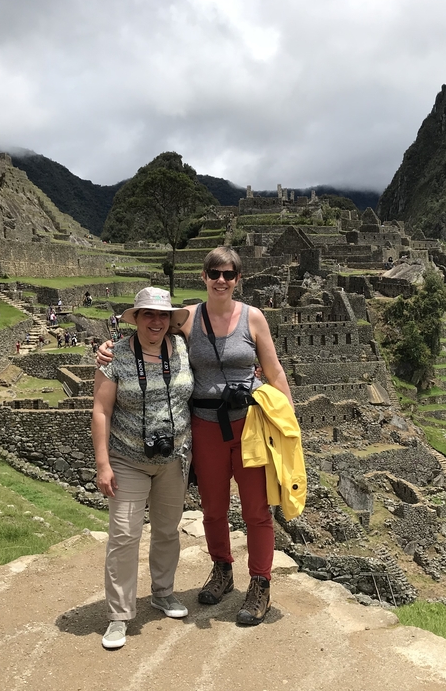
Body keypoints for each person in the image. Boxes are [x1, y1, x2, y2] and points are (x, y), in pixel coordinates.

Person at [98, 247, 293, 625]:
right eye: (214, 273)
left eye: (229, 274)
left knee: (256, 509)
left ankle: (260, 584)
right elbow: (147, 332)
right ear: (203, 277)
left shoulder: (253, 319)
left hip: (251, 423)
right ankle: (222, 569)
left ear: (238, 279)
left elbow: (275, 372)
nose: (222, 280)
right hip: (204, 426)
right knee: (213, 508)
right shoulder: (188, 319)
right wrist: (108, 348)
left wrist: (289, 428)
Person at [92, 287, 194, 650]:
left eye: (163, 314)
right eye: (148, 314)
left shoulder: (182, 347)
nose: (156, 320)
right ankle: (119, 615)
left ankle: (163, 593)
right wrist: (103, 464)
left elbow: (218, 304)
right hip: (128, 458)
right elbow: (101, 411)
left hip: (174, 458)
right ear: (135, 318)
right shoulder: (115, 356)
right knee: (124, 535)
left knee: (167, 530)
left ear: (171, 319)